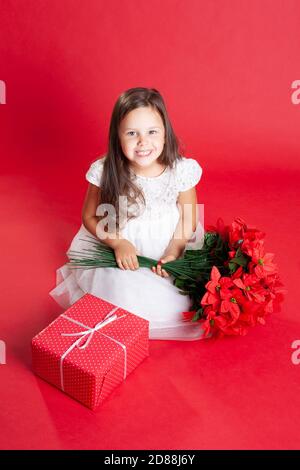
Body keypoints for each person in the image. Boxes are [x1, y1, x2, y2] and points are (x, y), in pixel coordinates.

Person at [49, 87, 206, 340]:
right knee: (119, 297)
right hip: (122, 242)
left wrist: (174, 251)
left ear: (166, 134)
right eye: (132, 133)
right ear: (118, 137)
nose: (143, 142)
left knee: (176, 305)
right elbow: (90, 217)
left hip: (170, 241)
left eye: (152, 132)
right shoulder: (104, 170)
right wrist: (118, 242)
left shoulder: (181, 170)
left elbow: (189, 217)